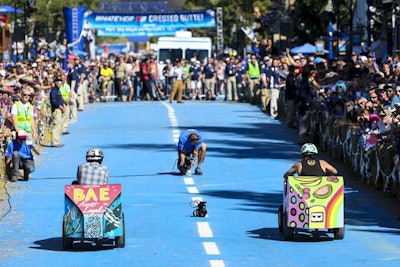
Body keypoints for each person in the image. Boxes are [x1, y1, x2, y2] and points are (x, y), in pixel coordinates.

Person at [49, 77, 66, 147]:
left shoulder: (58, 90)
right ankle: (54, 141)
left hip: (60, 109)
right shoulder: (54, 91)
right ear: (55, 83)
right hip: (56, 110)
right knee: (56, 125)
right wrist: (60, 106)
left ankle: (57, 140)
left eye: (60, 82)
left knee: (59, 125)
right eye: (57, 82)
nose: (59, 84)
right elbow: (54, 101)